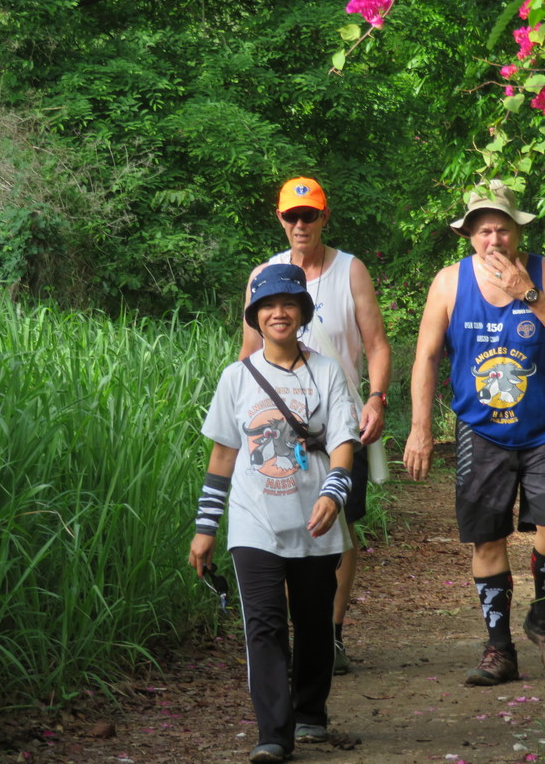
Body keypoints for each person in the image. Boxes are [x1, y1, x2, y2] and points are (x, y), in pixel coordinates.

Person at [401, 180, 545, 686]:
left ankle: (544, 619)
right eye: (483, 230)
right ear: (468, 235)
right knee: (486, 540)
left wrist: (528, 293)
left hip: (544, 428)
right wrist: (420, 429)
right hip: (480, 431)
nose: (494, 240)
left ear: (517, 231)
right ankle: (499, 649)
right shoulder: (449, 283)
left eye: (502, 229)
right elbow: (426, 357)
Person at [190, 264, 362, 763]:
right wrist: (206, 528)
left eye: (288, 303)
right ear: (256, 316)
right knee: (263, 625)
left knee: (313, 622)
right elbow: (223, 455)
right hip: (254, 521)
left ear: (302, 312)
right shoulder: (236, 378)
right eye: (267, 306)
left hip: (316, 521)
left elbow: (343, 441)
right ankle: (273, 733)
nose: (278, 313)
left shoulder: (326, 371)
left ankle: (310, 713)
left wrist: (333, 493)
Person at [240, 177, 391, 675]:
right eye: (292, 216)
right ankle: (296, 634)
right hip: (278, 425)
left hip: (341, 422)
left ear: (325, 217)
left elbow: (377, 344)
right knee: (286, 526)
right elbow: (247, 356)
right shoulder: (264, 275)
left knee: (339, 528)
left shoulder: (350, 270)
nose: (300, 224)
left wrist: (376, 399)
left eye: (310, 215)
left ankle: (330, 634)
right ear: (280, 219)